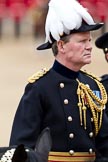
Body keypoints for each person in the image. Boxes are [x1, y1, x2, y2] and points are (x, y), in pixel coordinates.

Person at [9, 0, 108, 161]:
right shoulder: (40, 88)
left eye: (89, 40)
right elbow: (21, 149)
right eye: (82, 41)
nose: (89, 46)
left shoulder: (92, 85)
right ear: (61, 46)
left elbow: (104, 144)